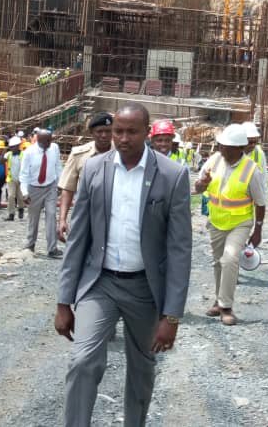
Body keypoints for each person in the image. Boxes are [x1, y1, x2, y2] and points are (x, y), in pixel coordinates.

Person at [57, 103, 192, 427]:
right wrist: (64, 301)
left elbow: (179, 249)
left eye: (132, 131)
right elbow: (78, 238)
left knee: (142, 369)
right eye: (118, 130)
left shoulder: (172, 175)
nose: (123, 138)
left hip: (145, 288)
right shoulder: (93, 169)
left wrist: (171, 316)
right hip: (100, 283)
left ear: (147, 133)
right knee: (82, 360)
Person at [193, 124, 265, 326]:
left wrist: (258, 229)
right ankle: (218, 300)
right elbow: (197, 188)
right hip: (216, 221)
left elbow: (260, 202)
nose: (220, 148)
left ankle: (226, 307)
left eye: (225, 146)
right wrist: (203, 184)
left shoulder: (252, 170)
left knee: (230, 259)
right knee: (218, 262)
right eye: (221, 144)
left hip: (240, 223)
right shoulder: (215, 160)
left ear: (238, 148)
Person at [57, 113, 114, 238]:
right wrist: (62, 219)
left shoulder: (121, 154)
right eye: (100, 131)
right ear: (91, 132)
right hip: (85, 215)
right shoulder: (79, 154)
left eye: (108, 131)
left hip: (114, 216)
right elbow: (68, 188)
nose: (104, 135)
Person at [21, 129, 62, 257]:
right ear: (39, 140)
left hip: (50, 186)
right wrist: (25, 192)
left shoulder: (54, 148)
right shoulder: (29, 152)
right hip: (34, 189)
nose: (50, 143)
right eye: (47, 141)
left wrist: (60, 183)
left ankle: (52, 248)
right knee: (34, 218)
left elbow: (57, 166)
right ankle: (30, 245)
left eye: (51, 139)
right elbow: (24, 174)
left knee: (51, 216)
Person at [5, 136, 27, 221]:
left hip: (21, 180)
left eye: (13, 146)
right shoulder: (8, 154)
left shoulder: (24, 154)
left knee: (20, 197)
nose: (12, 148)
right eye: (11, 147)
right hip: (11, 179)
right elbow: (1, 161)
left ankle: (21, 208)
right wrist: (5, 150)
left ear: (18, 146)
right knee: (11, 196)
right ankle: (11, 214)